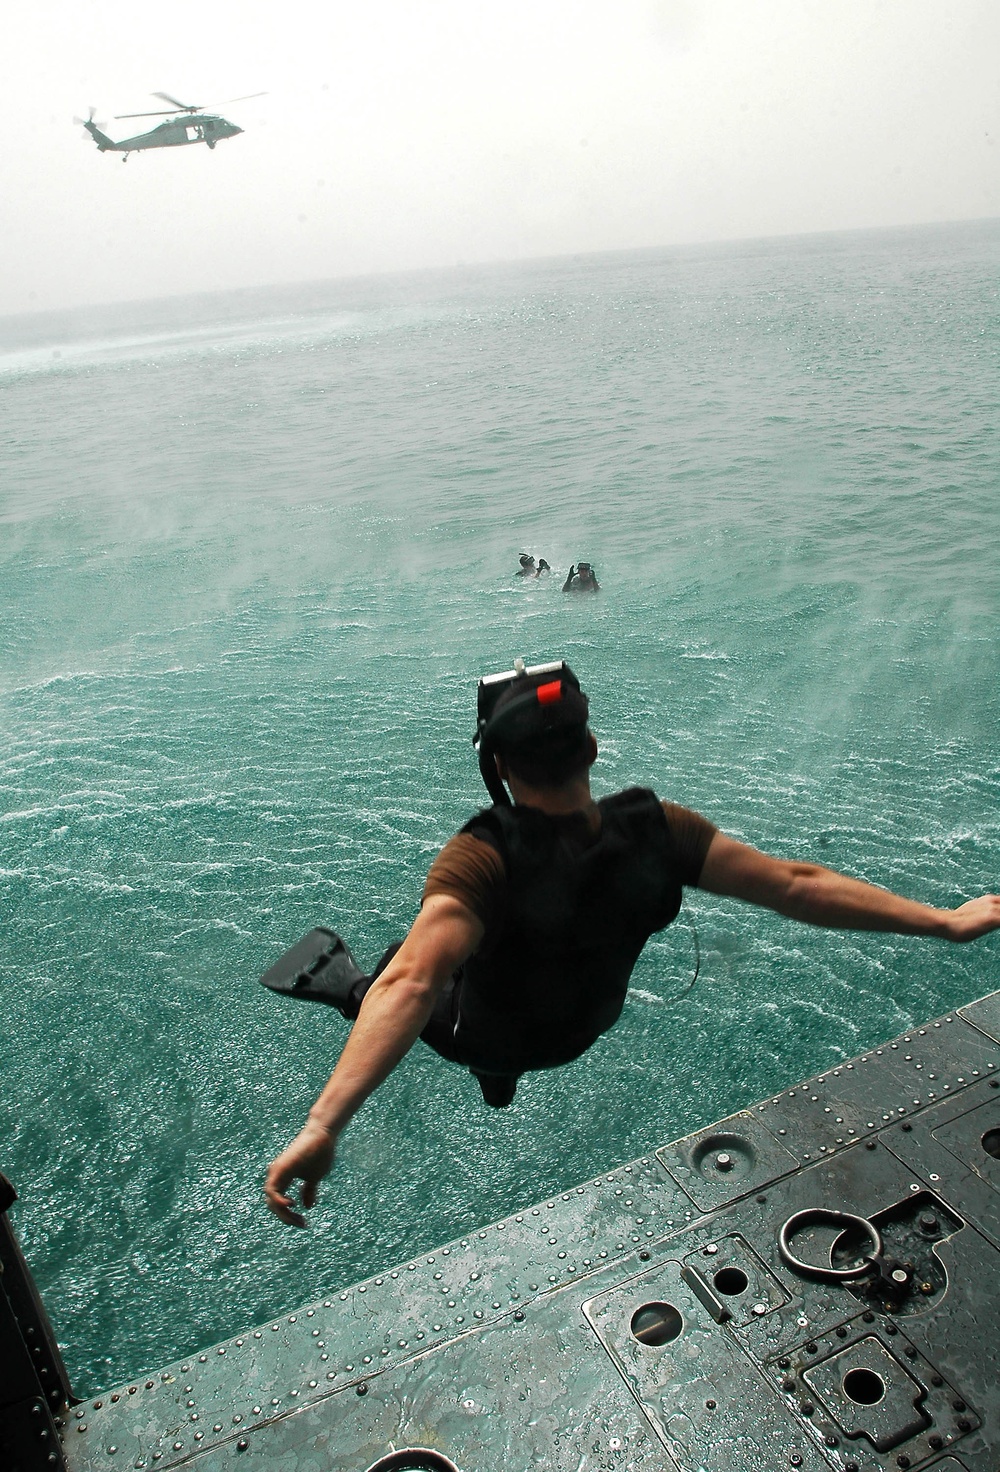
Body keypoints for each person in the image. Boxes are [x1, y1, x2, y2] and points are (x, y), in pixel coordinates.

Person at [262, 659, 1000, 1227]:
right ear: (593, 746)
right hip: (583, 1029)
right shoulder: (659, 831)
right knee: (450, 990)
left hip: (480, 1032)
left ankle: (391, 1016)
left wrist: (325, 1123)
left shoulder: (481, 858)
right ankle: (498, 1077)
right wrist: (947, 920)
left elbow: (412, 988)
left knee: (396, 963)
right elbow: (797, 884)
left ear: (500, 770)